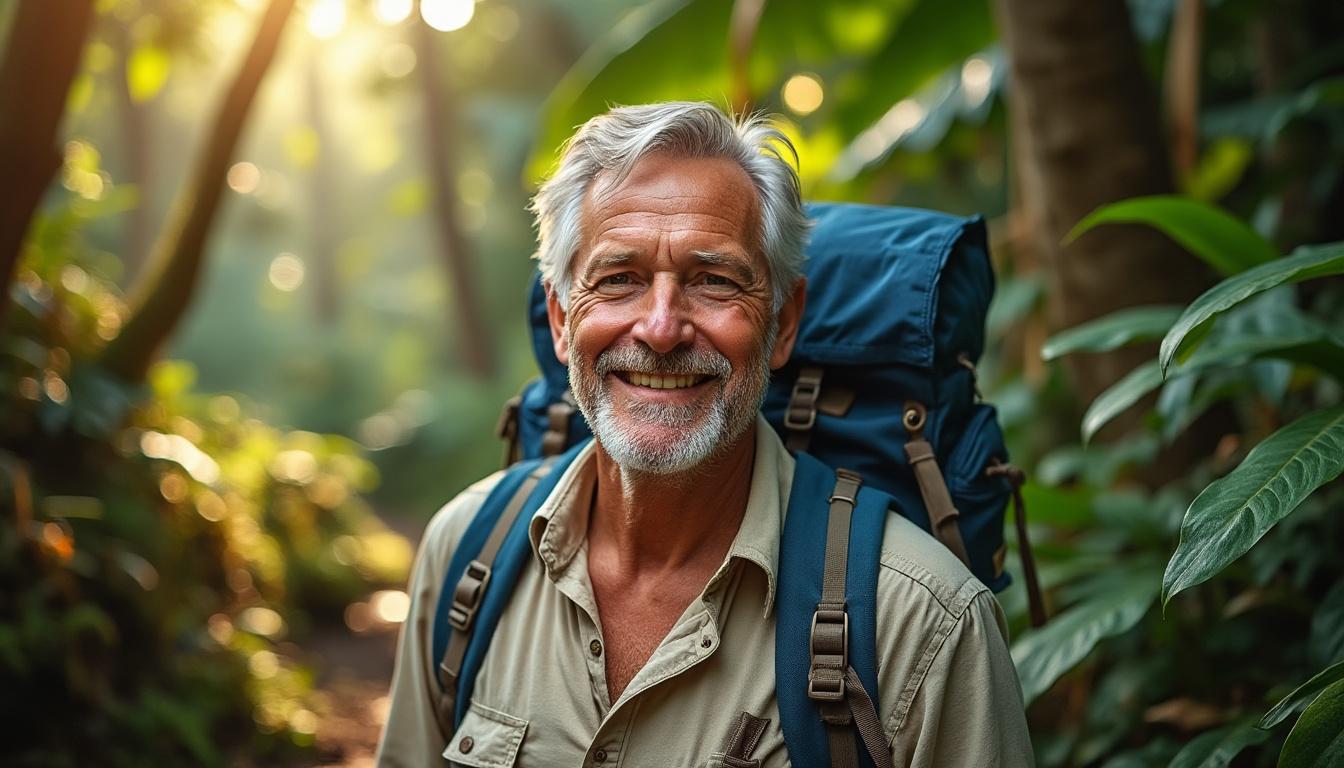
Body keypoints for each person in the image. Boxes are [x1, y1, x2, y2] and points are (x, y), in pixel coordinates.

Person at [377, 102, 1033, 767]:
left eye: (714, 281)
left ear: (781, 324)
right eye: (619, 279)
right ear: (561, 318)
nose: (661, 329)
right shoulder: (466, 554)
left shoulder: (923, 624)